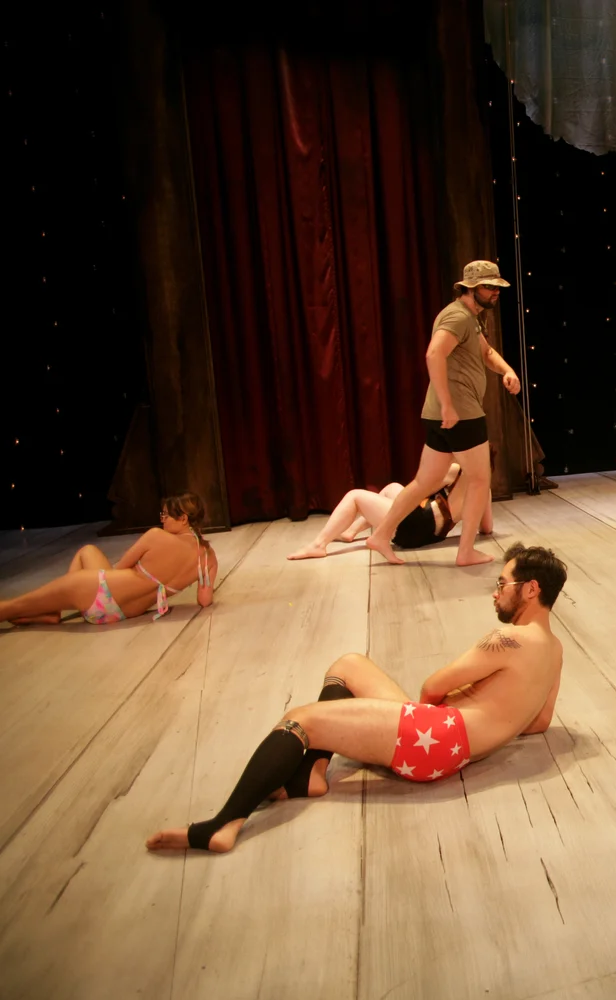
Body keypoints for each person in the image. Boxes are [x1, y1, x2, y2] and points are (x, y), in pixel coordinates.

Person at [146, 543, 566, 853]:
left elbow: (433, 686)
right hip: (453, 745)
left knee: (302, 718)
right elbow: (540, 721)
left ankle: (223, 824)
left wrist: (445, 715)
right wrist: (489, 721)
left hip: (436, 738)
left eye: (502, 583)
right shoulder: (554, 649)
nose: (495, 592)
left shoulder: (508, 639)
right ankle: (309, 775)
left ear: (531, 589)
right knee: (349, 665)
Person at [365, 260, 521, 567]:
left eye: (497, 287)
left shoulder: (470, 318)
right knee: (479, 480)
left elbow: (486, 352)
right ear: (470, 288)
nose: (495, 292)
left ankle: (380, 535)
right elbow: (434, 353)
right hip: (460, 413)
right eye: (489, 287)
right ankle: (466, 552)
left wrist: (507, 370)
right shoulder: (457, 316)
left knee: (426, 481)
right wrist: (448, 404)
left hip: (445, 414)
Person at [2, 492, 217, 626]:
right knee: (87, 551)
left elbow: (118, 569)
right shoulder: (209, 557)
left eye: (166, 516)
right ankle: (54, 610)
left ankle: (59, 604)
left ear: (183, 518)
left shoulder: (156, 536)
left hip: (101, 591)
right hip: (123, 613)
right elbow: (204, 600)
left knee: (10, 606)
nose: (162, 521)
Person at [285, 464, 493, 560]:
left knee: (355, 496)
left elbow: (417, 491)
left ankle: (319, 545)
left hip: (414, 524)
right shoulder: (485, 491)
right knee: (391, 488)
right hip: (431, 535)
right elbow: (486, 528)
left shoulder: (457, 470)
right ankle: (350, 532)